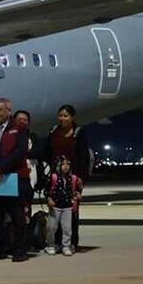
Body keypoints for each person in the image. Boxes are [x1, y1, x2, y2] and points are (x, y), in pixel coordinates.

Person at [38, 104, 91, 250]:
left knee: (71, 212)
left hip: (72, 178)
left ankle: (71, 242)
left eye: (65, 116)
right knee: (54, 210)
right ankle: (55, 242)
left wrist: (81, 178)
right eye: (60, 115)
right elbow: (47, 153)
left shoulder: (79, 133)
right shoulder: (54, 131)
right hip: (55, 177)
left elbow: (84, 157)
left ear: (72, 117)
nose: (62, 118)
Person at [0, 97, 31, 262]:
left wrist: (1, 168)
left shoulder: (19, 128)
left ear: (8, 111)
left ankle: (20, 250)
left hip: (13, 177)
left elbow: (20, 152)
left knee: (17, 216)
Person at [44, 156, 82, 256]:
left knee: (67, 228)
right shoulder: (53, 177)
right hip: (55, 206)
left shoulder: (72, 178)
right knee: (52, 227)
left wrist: (77, 194)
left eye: (68, 164)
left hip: (67, 207)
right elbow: (47, 191)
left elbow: (73, 190)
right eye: (63, 164)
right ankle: (50, 245)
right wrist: (49, 199)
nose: (66, 167)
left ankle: (66, 246)